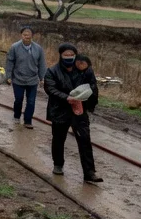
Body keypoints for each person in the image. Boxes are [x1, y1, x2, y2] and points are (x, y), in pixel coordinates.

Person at [44, 43, 102, 183]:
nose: (69, 57)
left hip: (79, 110)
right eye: (66, 55)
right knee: (58, 139)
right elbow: (50, 89)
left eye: (72, 55)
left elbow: (93, 86)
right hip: (60, 110)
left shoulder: (83, 69)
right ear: (61, 55)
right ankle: (58, 164)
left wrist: (88, 100)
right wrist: (66, 98)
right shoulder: (52, 71)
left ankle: (89, 172)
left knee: (84, 140)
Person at [6, 26, 45, 129]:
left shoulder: (38, 49)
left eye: (29, 34)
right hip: (18, 79)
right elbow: (10, 62)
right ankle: (17, 116)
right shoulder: (14, 47)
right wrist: (8, 76)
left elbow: (41, 64)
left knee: (31, 101)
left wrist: (42, 78)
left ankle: (28, 121)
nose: (26, 36)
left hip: (32, 79)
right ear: (21, 35)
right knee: (19, 99)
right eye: (24, 34)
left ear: (32, 35)